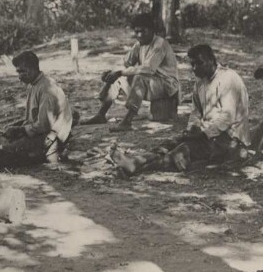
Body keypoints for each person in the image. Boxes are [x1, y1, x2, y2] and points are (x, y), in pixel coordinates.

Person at [111, 44, 250, 175]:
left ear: (212, 60)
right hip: (209, 135)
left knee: (182, 151)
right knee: (171, 143)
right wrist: (193, 127)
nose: (195, 68)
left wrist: (202, 134)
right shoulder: (200, 82)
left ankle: (135, 166)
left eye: (199, 63)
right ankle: (136, 163)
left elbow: (227, 117)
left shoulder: (228, 78)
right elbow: (196, 112)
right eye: (193, 64)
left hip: (230, 141)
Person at [81, 13, 180, 132]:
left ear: (152, 30)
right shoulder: (140, 44)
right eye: (137, 31)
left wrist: (121, 72)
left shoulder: (160, 44)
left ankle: (127, 121)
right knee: (118, 77)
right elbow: (126, 62)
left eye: (143, 31)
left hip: (167, 86)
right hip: (152, 84)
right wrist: (111, 73)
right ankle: (101, 114)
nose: (139, 35)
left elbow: (148, 69)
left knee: (139, 77)